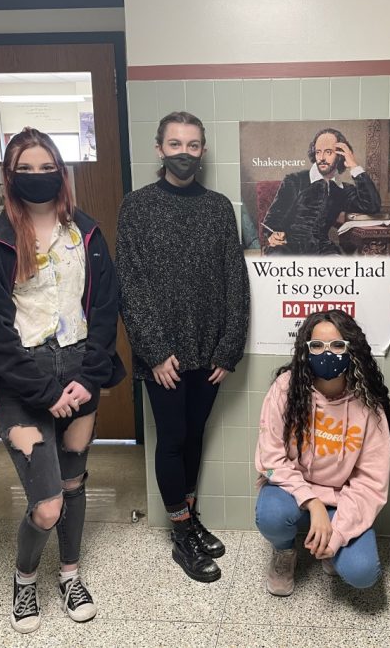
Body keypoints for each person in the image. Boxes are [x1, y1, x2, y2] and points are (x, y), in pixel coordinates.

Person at [0, 127, 125, 633]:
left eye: (45, 167)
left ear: (61, 171)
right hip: (23, 384)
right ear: (9, 178)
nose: (38, 177)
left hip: (80, 375)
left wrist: (86, 379)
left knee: (74, 482)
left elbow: (104, 310)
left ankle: (71, 575)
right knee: (48, 502)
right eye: (25, 170)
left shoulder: (87, 233)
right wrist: (45, 393)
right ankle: (26, 579)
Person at [116, 111, 250, 583]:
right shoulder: (136, 207)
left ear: (203, 151)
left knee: (195, 436)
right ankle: (181, 534)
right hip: (164, 359)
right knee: (172, 439)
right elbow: (128, 285)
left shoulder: (218, 208)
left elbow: (236, 280)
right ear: (159, 149)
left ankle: (189, 520)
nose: (185, 153)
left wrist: (228, 348)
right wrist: (153, 352)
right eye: (175, 144)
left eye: (193, 145)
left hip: (209, 353)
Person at [254, 309, 390, 595]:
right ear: (306, 351)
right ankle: (285, 553)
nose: (327, 354)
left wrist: (338, 534)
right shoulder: (285, 389)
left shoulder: (369, 406)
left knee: (363, 574)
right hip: (293, 494)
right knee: (271, 514)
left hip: (342, 499)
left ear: (351, 350)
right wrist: (313, 502)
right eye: (317, 346)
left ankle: (327, 543)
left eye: (337, 345)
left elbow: (370, 484)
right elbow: (271, 458)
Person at [262, 128, 381, 255]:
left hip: (322, 249)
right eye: (318, 152)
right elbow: (271, 221)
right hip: (286, 248)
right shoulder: (294, 180)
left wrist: (353, 165)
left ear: (340, 155)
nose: (322, 158)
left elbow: (372, 205)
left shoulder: (342, 190)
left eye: (328, 152)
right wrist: (273, 234)